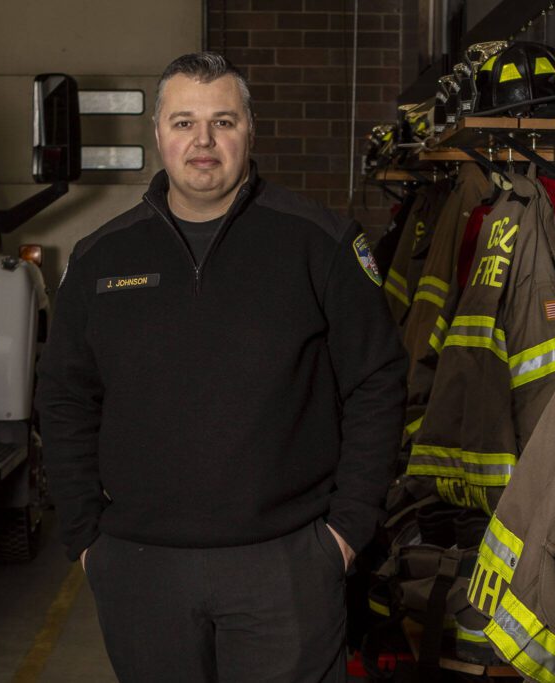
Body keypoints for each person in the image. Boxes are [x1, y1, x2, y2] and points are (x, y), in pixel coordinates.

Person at [35, 52, 406, 682]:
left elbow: (377, 384)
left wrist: (345, 531)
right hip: (139, 568)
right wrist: (86, 536)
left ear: (250, 132)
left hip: (287, 566)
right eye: (183, 123)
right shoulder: (100, 258)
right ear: (157, 133)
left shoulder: (323, 245)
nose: (202, 142)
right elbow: (65, 399)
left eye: (222, 122)